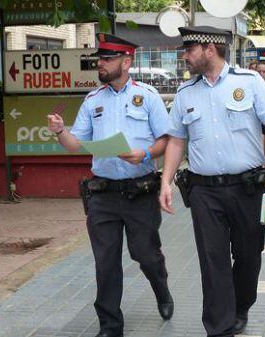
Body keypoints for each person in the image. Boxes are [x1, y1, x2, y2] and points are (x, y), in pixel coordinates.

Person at [158, 26, 265, 337]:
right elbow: (176, 141)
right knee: (212, 259)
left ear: (209, 49)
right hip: (204, 191)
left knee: (248, 256)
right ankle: (220, 328)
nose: (185, 56)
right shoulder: (185, 93)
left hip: (247, 188)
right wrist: (165, 181)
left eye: (189, 49)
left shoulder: (250, 82)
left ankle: (241, 305)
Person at [46, 34, 173, 337]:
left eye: (107, 59)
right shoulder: (93, 100)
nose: (100, 64)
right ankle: (110, 325)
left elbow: (166, 140)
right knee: (105, 262)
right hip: (103, 193)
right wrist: (60, 131)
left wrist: (144, 153)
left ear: (126, 62)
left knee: (145, 254)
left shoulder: (149, 96)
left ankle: (161, 288)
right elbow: (75, 144)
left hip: (140, 190)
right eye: (99, 59)